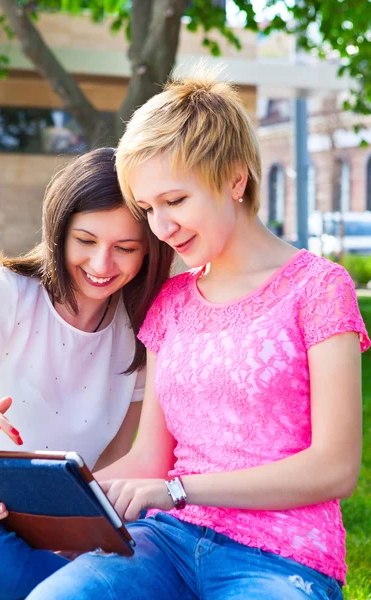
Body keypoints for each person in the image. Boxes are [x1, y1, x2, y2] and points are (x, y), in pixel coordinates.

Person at [26, 71, 369, 600]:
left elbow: (336, 467)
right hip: (164, 543)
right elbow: (148, 460)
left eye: (175, 201)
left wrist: (178, 490)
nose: (158, 226)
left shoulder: (320, 289)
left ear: (235, 179)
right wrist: (36, 497)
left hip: (281, 559)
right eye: (147, 208)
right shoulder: (173, 301)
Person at [0, 147, 173, 600]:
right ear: (58, 231)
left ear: (149, 251)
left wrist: (45, 512)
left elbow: (117, 460)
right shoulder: (8, 293)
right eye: (86, 240)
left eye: (125, 248)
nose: (102, 265)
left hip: (67, 540)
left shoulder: (141, 328)